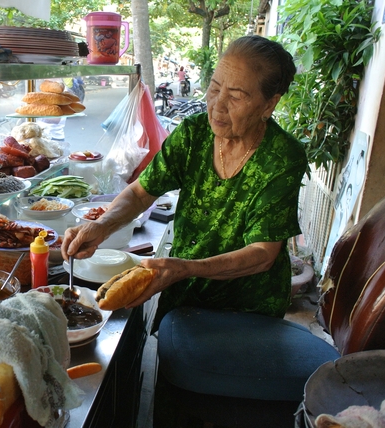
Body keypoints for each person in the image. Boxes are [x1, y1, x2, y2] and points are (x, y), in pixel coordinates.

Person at [61, 35, 307, 328]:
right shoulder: (194, 134)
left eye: (236, 97)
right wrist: (103, 225)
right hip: (184, 293)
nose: (217, 106)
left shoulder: (281, 157)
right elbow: (141, 193)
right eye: (214, 88)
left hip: (247, 309)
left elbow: (262, 254)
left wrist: (184, 268)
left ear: (269, 104)